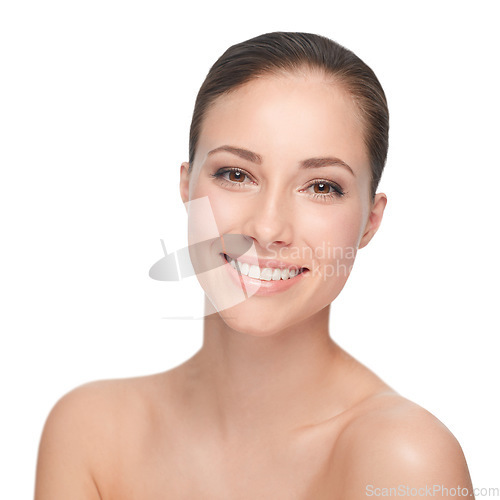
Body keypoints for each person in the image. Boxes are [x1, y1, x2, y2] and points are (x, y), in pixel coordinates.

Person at [34, 31, 474, 499]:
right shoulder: (90, 433)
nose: (267, 228)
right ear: (187, 186)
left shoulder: (404, 459)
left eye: (322, 186)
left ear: (370, 220)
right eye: (236, 174)